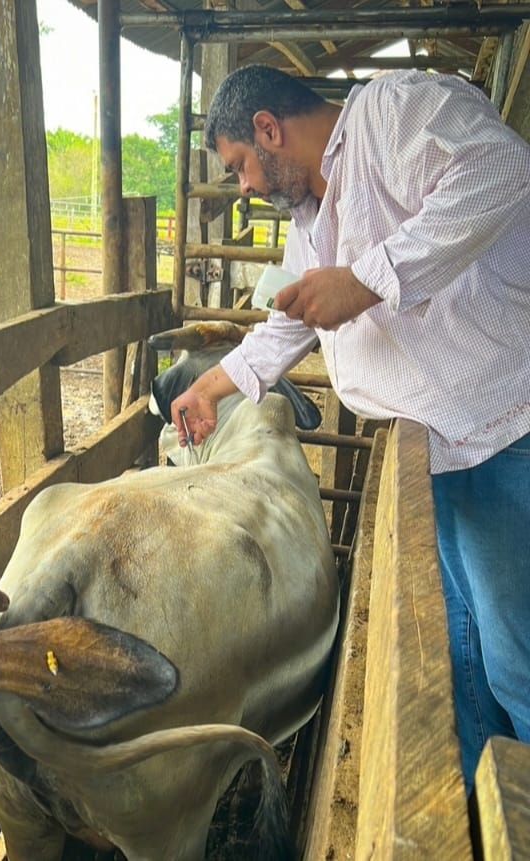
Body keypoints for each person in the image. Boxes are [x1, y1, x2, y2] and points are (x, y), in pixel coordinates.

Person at [170, 64, 530, 794]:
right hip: (435, 447)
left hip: (499, 430)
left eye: (239, 164)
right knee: (464, 654)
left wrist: (366, 278)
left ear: (269, 129)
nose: (244, 185)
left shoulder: (393, 113)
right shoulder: (311, 220)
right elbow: (289, 324)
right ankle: (481, 805)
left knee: (515, 659)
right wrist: (210, 385)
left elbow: (502, 169)